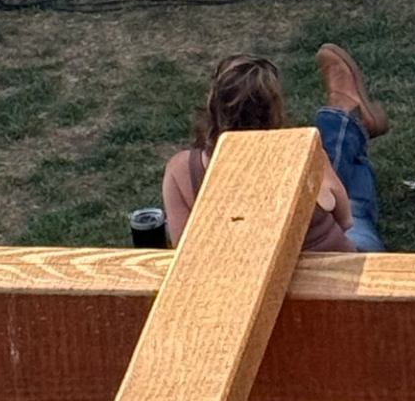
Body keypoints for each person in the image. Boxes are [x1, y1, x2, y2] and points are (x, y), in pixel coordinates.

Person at [162, 47, 389, 251]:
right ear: (275, 108)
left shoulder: (182, 170)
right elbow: (346, 221)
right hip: (337, 277)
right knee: (355, 208)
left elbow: (185, 249)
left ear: (213, 104)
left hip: (246, 289)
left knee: (345, 178)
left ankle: (347, 112)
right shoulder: (304, 153)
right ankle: (344, 112)